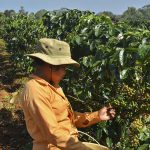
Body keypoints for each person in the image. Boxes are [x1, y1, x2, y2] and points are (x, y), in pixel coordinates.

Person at [20, 38, 116, 150]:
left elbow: (67, 116)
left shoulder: (52, 86)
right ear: (50, 66)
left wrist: (97, 116)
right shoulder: (35, 90)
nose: (64, 72)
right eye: (63, 68)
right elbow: (52, 134)